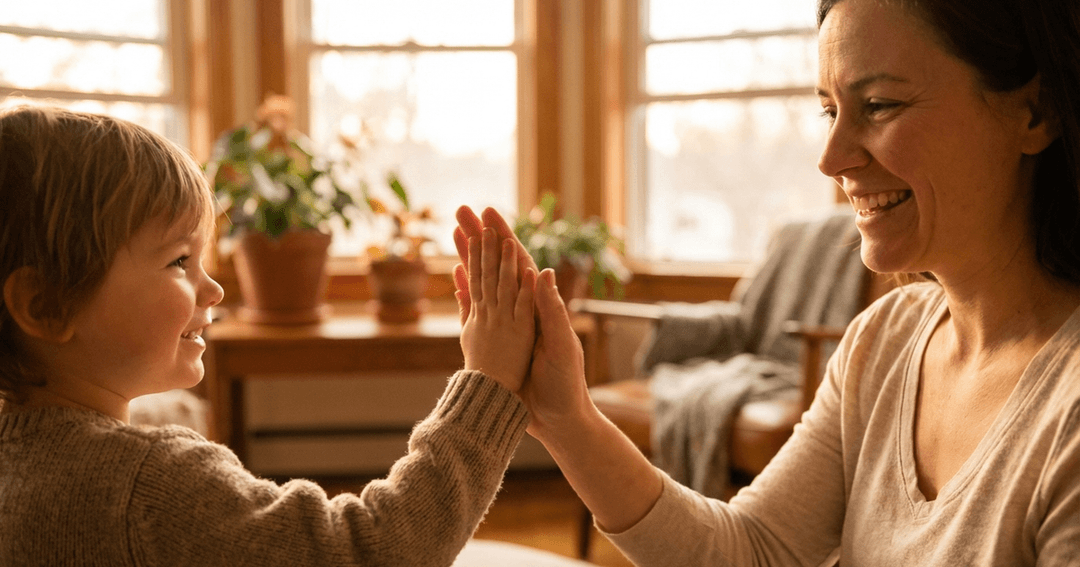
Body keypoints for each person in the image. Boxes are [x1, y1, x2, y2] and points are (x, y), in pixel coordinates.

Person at [453, 0, 1080, 564]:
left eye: (879, 106)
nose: (832, 159)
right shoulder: (882, 342)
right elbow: (754, 549)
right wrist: (566, 419)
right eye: (830, 111)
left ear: (1033, 112)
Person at [0, 105, 539, 566]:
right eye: (178, 261)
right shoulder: (152, 488)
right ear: (46, 306)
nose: (212, 290)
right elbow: (375, 550)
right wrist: (487, 382)